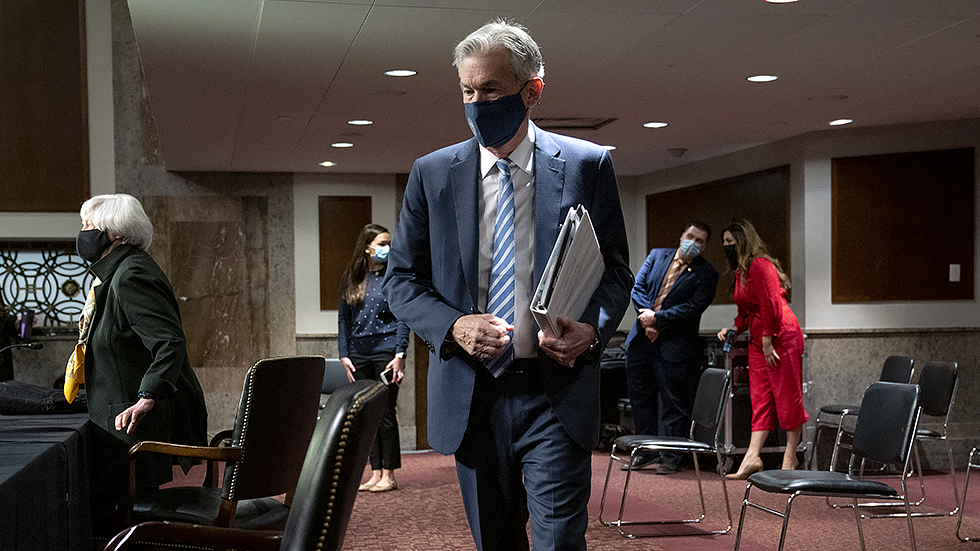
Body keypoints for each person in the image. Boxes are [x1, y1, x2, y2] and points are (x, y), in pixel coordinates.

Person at [383, 20, 631, 551]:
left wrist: (593, 329)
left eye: (491, 90)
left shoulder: (587, 165)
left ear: (532, 90)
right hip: (473, 395)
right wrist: (454, 325)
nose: (477, 104)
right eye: (467, 91)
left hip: (554, 392)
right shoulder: (432, 173)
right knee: (495, 540)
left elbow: (616, 272)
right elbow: (401, 280)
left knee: (560, 539)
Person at [71, 193, 208, 533]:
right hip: (116, 418)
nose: (84, 233)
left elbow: (168, 341)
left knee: (113, 519)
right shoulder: (117, 272)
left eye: (90, 226)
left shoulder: (131, 274)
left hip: (128, 424)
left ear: (115, 233)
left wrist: (148, 395)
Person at [716, 219, 807, 479]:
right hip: (759, 340)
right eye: (724, 243)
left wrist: (768, 339)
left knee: (787, 397)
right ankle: (751, 458)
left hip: (781, 337)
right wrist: (733, 328)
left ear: (743, 241)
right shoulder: (740, 272)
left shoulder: (760, 265)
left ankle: (790, 458)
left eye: (730, 243)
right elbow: (745, 310)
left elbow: (770, 305)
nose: (726, 247)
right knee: (761, 399)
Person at [624, 222, 718, 474]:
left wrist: (657, 320)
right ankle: (644, 452)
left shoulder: (706, 274)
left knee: (673, 403)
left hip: (675, 348)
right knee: (641, 400)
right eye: (690, 236)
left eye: (700, 240)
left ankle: (671, 457)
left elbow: (692, 308)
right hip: (641, 341)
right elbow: (638, 287)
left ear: (704, 246)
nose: (693, 242)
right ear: (681, 235)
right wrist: (648, 319)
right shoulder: (657, 255)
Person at [338, 223, 409, 493]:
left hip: (386, 351)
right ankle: (376, 472)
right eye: (381, 243)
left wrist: (400, 353)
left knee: (385, 413)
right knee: (368, 415)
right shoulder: (352, 277)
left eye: (388, 243)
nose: (386, 248)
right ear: (368, 247)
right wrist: (344, 354)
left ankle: (389, 474)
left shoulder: (394, 277)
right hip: (358, 353)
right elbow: (344, 319)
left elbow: (403, 317)